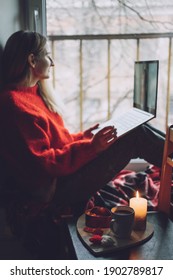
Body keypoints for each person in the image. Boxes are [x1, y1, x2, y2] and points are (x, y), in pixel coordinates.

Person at [0, 30, 165, 259]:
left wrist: (86, 137)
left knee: (139, 128)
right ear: (31, 60)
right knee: (136, 137)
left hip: (63, 175)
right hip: (55, 190)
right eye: (47, 55)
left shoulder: (32, 94)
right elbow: (47, 163)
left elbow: (59, 143)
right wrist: (92, 146)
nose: (52, 62)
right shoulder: (13, 104)